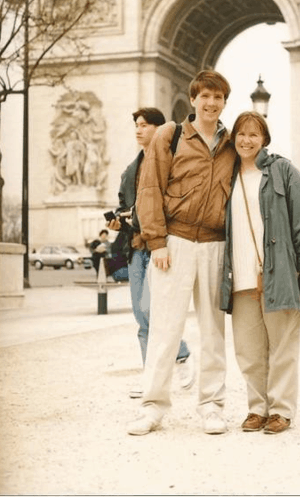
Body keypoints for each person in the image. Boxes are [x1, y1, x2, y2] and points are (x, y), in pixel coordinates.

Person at [127, 69, 236, 436]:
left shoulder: (232, 142)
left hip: (215, 244)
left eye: (218, 97)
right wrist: (156, 241)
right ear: (192, 100)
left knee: (213, 331)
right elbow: (149, 188)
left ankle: (211, 405)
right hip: (174, 242)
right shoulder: (169, 136)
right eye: (204, 96)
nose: (211, 103)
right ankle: (153, 406)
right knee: (164, 329)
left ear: (224, 102)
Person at [220, 111, 300, 434]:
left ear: (265, 139)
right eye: (241, 133)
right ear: (233, 137)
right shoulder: (225, 175)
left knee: (282, 347)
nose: (246, 140)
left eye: (254, 134)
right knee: (248, 349)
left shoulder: (284, 171)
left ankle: (280, 410)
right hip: (240, 276)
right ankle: (257, 408)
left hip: (279, 273)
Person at [107, 108, 194, 396]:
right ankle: (152, 377)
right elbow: (123, 204)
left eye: (144, 125)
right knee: (141, 315)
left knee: (152, 311)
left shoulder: (172, 162)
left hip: (160, 246)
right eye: (136, 125)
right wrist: (119, 220)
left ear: (160, 129)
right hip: (136, 247)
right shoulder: (129, 170)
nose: (138, 129)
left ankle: (179, 355)